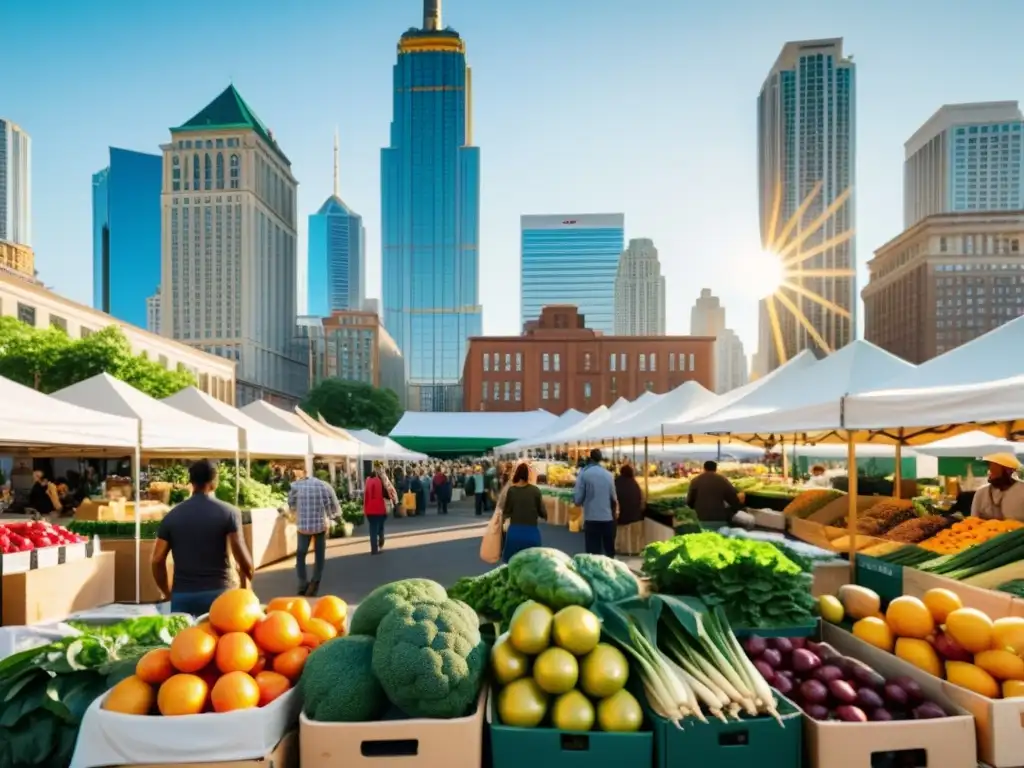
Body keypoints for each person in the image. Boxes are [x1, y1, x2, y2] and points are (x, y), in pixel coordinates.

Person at [151, 459, 254, 616]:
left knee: (186, 639)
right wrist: (249, 580)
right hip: (221, 594)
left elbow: (157, 560)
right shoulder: (229, 512)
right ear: (215, 481)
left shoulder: (171, 516)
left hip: (183, 597)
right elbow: (242, 557)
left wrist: (167, 592)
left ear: (191, 482)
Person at [288, 472, 341, 597]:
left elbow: (291, 503)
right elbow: (331, 505)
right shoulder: (324, 486)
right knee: (319, 555)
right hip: (319, 526)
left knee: (301, 555)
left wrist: (297, 508)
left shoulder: (297, 486)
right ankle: (315, 582)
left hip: (303, 526)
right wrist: (334, 516)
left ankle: (302, 584)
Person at [573, 449, 618, 556]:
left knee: (593, 553)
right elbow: (614, 497)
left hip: (591, 518)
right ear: (600, 459)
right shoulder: (609, 475)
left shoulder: (584, 474)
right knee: (609, 552)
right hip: (607, 518)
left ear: (590, 458)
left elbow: (578, 499)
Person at [501, 462, 546, 561]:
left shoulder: (512, 490)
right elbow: (542, 511)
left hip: (515, 532)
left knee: (512, 563)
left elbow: (507, 511)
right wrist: (544, 515)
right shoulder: (535, 490)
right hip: (531, 533)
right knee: (532, 563)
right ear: (528, 475)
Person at [686, 460, 742, 524]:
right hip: (718, 517)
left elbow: (689, 501)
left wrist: (696, 507)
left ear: (704, 468)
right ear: (715, 469)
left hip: (700, 516)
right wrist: (736, 508)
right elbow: (733, 498)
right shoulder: (722, 480)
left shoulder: (695, 480)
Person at [971, 453, 1024, 521]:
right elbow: (972, 523)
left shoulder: (1022, 491)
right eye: (989, 464)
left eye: (993, 465)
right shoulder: (981, 493)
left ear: (1008, 469)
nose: (989, 469)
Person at [614, 464, 645, 555]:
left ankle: (621, 549)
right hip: (636, 515)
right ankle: (635, 549)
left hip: (621, 515)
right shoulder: (634, 483)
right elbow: (641, 499)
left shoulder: (616, 482)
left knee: (621, 532)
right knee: (635, 533)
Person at [364, 470, 390, 554]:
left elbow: (366, 495)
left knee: (372, 529)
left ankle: (374, 549)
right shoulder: (381, 482)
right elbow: (387, 495)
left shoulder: (367, 481)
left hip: (369, 509)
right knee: (380, 527)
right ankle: (381, 540)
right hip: (379, 509)